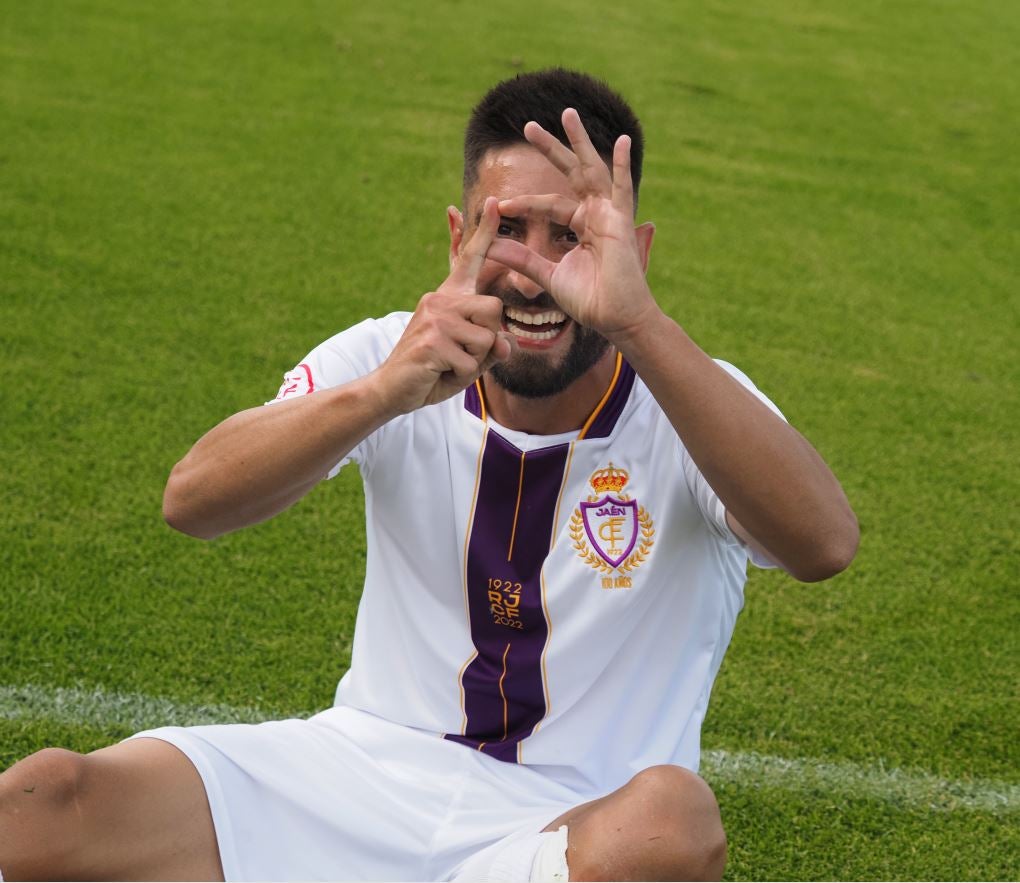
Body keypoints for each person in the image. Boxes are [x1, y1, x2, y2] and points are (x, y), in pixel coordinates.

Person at [0, 68, 858, 882]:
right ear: (459, 235)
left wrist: (639, 321)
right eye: (508, 229)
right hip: (358, 775)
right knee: (40, 805)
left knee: (673, 822)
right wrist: (382, 394)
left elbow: (823, 542)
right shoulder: (393, 356)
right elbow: (193, 500)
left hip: (570, 825)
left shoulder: (693, 399)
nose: (536, 269)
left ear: (633, 250)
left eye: (574, 236)